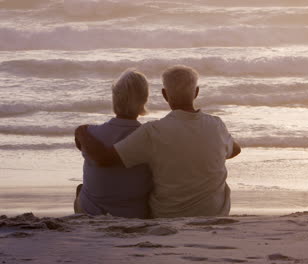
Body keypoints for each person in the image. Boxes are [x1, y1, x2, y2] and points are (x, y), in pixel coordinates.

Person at [75, 65, 241, 218]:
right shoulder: (217, 125)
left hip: (168, 216)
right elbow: (235, 150)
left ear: (164, 95)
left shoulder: (154, 132)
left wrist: (81, 131)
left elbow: (104, 158)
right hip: (216, 214)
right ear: (196, 92)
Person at [74, 69, 152, 219]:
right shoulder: (150, 137)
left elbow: (81, 146)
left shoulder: (89, 133)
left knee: (81, 190)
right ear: (144, 100)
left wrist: (81, 132)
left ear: (115, 98)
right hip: (135, 214)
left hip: (93, 213)